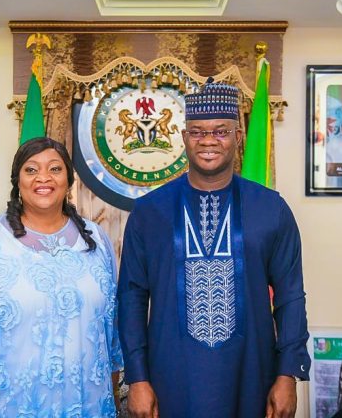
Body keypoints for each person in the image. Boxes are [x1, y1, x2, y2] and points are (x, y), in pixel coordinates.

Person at [117, 78, 310, 418]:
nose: (208, 140)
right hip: (168, 377)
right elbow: (131, 297)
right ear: (184, 138)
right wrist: (137, 378)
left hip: (252, 374)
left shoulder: (271, 208)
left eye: (221, 131)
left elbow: (290, 295)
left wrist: (288, 374)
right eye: (197, 131)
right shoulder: (149, 212)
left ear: (238, 136)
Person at [0, 137, 123, 417]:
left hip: (90, 406)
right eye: (31, 169)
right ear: (18, 181)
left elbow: (111, 335)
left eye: (55, 169)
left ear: (69, 180)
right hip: (8, 406)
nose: (44, 178)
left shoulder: (96, 240)